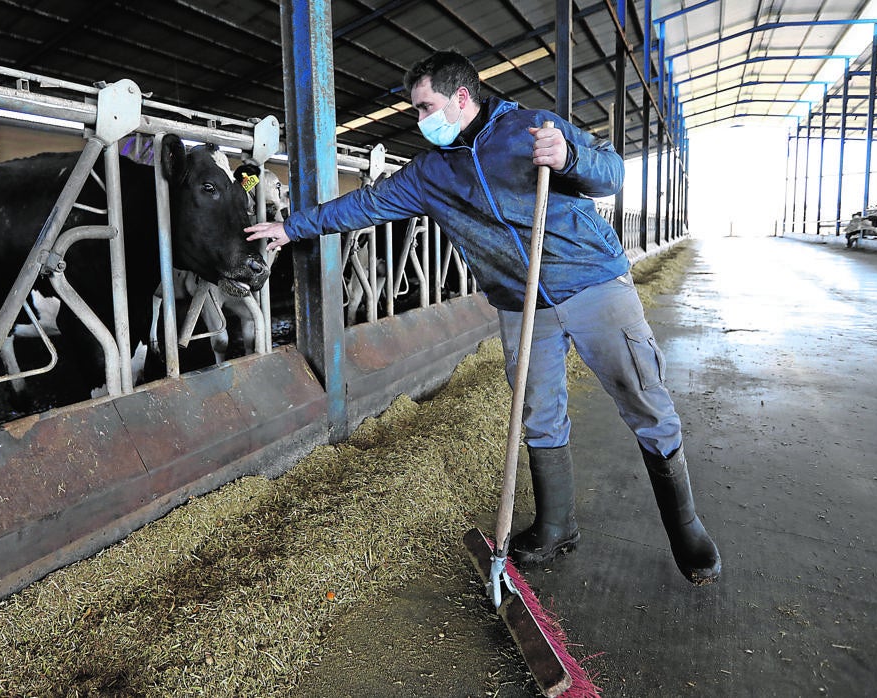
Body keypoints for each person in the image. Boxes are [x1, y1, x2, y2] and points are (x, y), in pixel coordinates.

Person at [246, 50, 720, 585]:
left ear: (461, 97)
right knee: (537, 409)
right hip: (520, 302)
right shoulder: (431, 173)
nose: (420, 118)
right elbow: (367, 205)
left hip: (590, 282)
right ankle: (556, 525)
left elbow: (608, 173)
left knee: (642, 396)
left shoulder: (531, 129)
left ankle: (686, 526)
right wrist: (294, 229)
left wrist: (569, 158)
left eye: (425, 105)